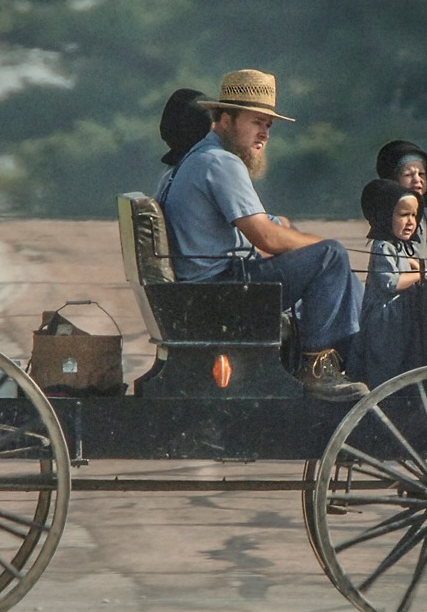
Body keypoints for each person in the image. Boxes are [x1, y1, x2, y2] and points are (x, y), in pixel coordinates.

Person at [155, 69, 366, 400]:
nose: (264, 133)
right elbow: (266, 238)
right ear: (226, 120)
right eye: (256, 122)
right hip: (219, 292)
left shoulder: (190, 162)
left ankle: (336, 359)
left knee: (328, 263)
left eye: (268, 125)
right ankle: (319, 370)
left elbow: (266, 224)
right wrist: (321, 247)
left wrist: (291, 236)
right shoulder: (220, 162)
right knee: (332, 257)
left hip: (202, 289)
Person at [346, 180, 427, 389]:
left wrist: (415, 264)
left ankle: (399, 395)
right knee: (385, 363)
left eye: (414, 215)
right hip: (384, 320)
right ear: (386, 216)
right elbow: (391, 282)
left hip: (398, 317)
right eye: (403, 215)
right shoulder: (383, 247)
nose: (410, 222)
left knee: (401, 361)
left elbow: (405, 262)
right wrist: (418, 275)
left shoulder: (400, 247)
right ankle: (382, 395)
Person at [375, 139, 427, 254]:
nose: (417, 180)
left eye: (421, 174)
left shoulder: (418, 214)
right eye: (408, 175)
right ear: (393, 180)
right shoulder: (389, 215)